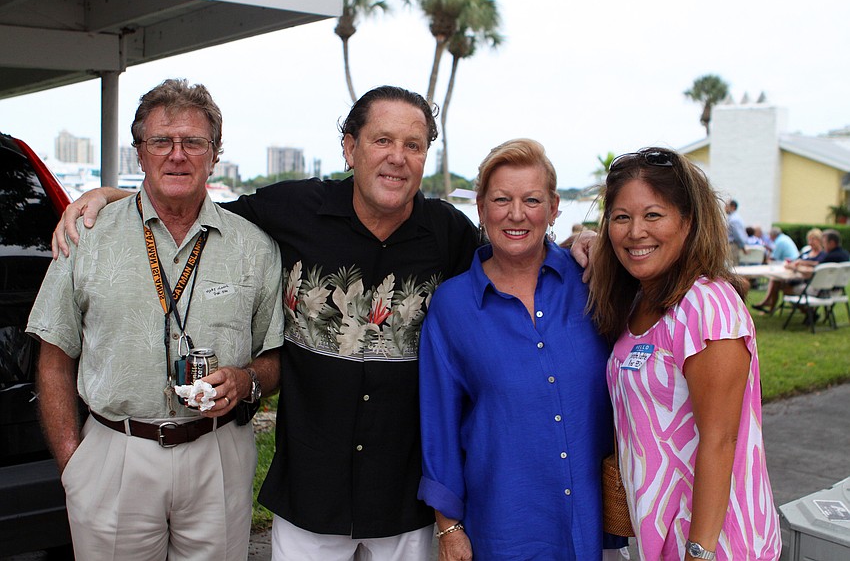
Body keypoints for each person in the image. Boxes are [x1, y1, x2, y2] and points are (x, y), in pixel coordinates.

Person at [52, 86, 481, 561]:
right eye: (382, 140)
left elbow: (512, 263)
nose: (397, 158)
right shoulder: (293, 210)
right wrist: (111, 197)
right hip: (310, 494)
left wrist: (579, 251)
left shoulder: (451, 233)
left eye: (413, 145)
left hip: (404, 497)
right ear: (349, 147)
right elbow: (188, 208)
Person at [29, 79, 284, 559]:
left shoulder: (254, 246)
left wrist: (247, 380)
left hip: (218, 452)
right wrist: (74, 464)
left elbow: (274, 357)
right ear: (139, 153)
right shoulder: (86, 236)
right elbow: (54, 356)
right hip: (115, 453)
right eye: (161, 141)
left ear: (215, 154)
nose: (177, 154)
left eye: (193, 142)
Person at [418, 139, 625, 560]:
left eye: (531, 200)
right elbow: (439, 424)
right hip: (502, 526)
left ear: (553, 208)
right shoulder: (452, 306)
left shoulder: (593, 281)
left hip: (589, 523)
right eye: (501, 199)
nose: (516, 214)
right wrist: (449, 528)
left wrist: (599, 240)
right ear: (480, 208)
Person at [587, 147, 781, 560]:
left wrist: (698, 553)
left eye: (653, 215)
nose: (635, 231)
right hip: (661, 535)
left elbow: (721, 440)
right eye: (621, 217)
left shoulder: (708, 306)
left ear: (688, 222)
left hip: (719, 544)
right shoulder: (640, 298)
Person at [753, 228, 825, 314]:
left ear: (819, 240)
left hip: (807, 283)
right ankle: (769, 306)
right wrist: (792, 265)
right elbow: (796, 262)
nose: (810, 242)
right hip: (797, 278)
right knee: (775, 280)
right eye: (809, 240)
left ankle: (807, 312)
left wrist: (799, 265)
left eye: (813, 239)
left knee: (784, 289)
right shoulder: (807, 252)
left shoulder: (822, 255)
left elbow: (816, 265)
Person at [725, 199, 748, 265]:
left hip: (733, 245)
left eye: (726, 206)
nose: (725, 208)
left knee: (733, 266)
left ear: (733, 207)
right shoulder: (733, 218)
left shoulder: (734, 219)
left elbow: (737, 235)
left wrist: (743, 247)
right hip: (732, 245)